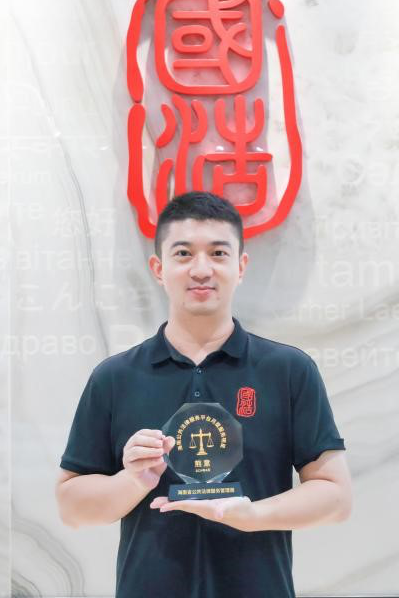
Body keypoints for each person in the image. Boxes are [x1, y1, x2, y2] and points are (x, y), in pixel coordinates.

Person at [56, 191, 352, 598]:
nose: (200, 269)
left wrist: (253, 515)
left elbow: (336, 496)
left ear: (240, 266)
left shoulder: (288, 370)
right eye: (183, 254)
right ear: (158, 268)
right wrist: (133, 480)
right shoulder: (114, 377)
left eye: (217, 253)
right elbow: (71, 508)